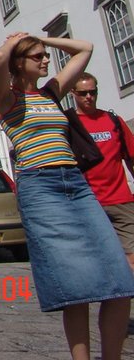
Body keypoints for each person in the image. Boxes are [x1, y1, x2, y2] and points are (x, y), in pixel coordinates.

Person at [0, 33, 134, 360]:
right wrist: (14, 44)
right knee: (75, 289)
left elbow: (86, 47)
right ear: (19, 63)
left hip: (77, 185)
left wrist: (41, 38)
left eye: (45, 55)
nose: (45, 60)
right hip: (40, 189)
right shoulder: (6, 99)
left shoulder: (51, 92)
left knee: (122, 282)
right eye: (38, 56)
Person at [73, 72, 134, 271]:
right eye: (83, 93)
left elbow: (131, 158)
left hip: (121, 200)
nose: (88, 97)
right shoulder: (69, 124)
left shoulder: (113, 120)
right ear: (73, 93)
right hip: (88, 202)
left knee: (131, 255)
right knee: (98, 258)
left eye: (92, 92)